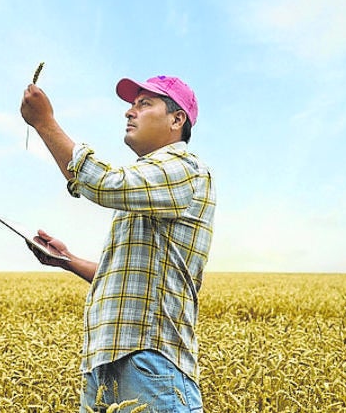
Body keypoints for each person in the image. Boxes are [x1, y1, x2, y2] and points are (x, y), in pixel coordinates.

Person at [20, 75, 216, 413]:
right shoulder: (150, 189)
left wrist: (45, 123)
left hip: (151, 363)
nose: (130, 112)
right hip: (108, 366)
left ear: (177, 119)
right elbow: (125, 279)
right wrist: (67, 260)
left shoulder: (184, 168)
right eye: (131, 104)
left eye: (144, 103)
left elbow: (105, 183)